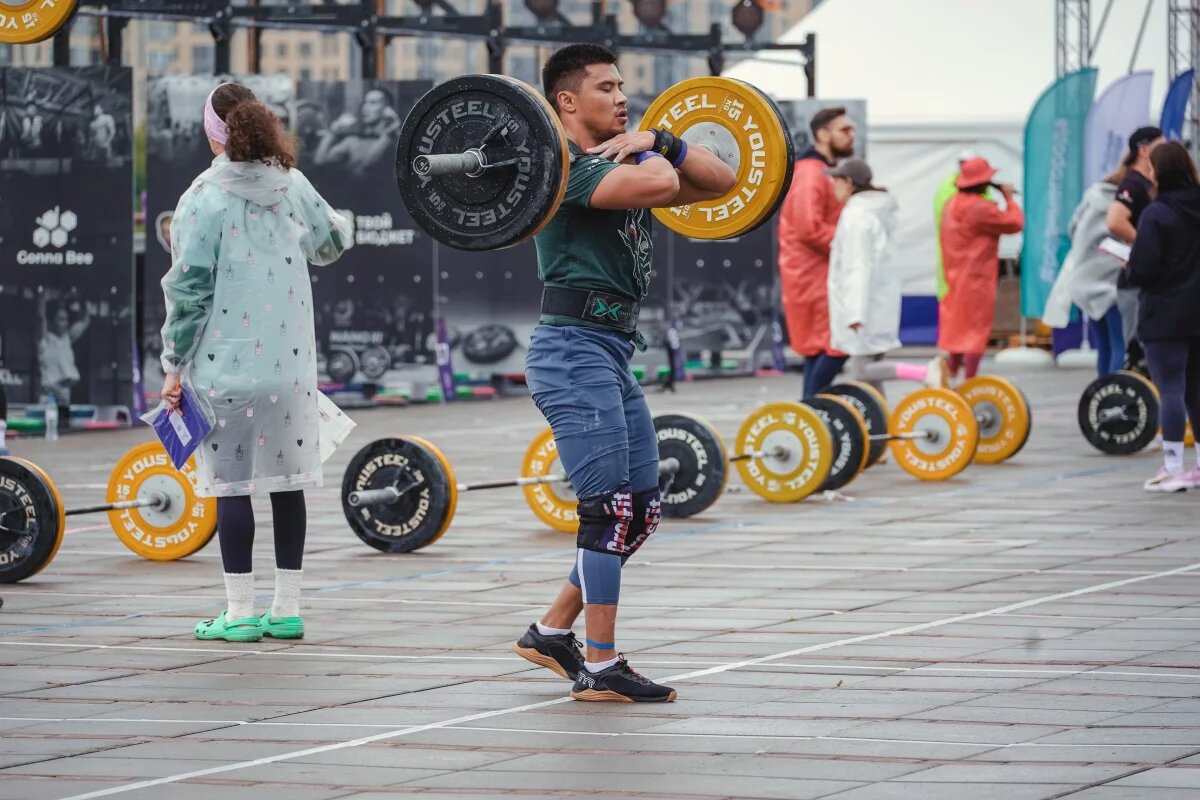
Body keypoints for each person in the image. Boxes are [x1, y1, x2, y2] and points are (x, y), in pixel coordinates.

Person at [512, 44, 736, 703]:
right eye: (606, 87)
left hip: (609, 351)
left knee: (638, 513)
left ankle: (552, 633)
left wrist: (660, 137)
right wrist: (648, 147)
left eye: (622, 86)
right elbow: (665, 185)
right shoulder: (569, 172)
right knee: (608, 510)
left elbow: (720, 181)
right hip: (571, 352)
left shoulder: (629, 153)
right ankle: (602, 665)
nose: (621, 97)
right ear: (566, 103)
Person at [159, 82, 353, 642]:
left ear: (211, 132)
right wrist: (340, 220)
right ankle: (286, 608)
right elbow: (330, 244)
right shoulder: (292, 185)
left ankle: (240, 613)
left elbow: (189, 289)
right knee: (287, 484)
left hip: (225, 366)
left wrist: (174, 364)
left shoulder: (202, 196)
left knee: (232, 488)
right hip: (290, 367)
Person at [826, 159, 947, 391]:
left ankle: (924, 372)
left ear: (849, 183)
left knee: (861, 370)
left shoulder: (856, 217)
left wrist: (854, 312)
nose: (833, 186)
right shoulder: (876, 212)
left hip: (864, 308)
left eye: (836, 181)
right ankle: (880, 421)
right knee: (871, 376)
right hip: (879, 303)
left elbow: (857, 267)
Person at [1124, 142, 1200, 492]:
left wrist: (1128, 267)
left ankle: (1172, 467)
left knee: (1171, 389)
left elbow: (1143, 268)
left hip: (1164, 314)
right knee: (1197, 390)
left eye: (1152, 168)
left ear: (1160, 172)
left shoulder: (1156, 214)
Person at [777, 106, 855, 396]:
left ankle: (812, 417)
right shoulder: (811, 174)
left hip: (821, 273)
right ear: (823, 134)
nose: (851, 135)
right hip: (812, 276)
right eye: (844, 130)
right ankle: (810, 414)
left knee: (821, 349)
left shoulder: (823, 172)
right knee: (836, 345)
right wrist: (850, 245)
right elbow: (809, 229)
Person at [936, 157, 1024, 380]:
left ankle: (954, 374)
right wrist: (1009, 198)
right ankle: (970, 380)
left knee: (957, 330)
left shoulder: (951, 204)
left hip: (954, 276)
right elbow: (1015, 223)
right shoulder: (979, 209)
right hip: (976, 279)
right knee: (975, 331)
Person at [1044, 165, 1130, 376]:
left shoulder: (1092, 196)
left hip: (1085, 282)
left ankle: (1103, 399)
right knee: (1120, 345)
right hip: (1112, 281)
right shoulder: (1124, 203)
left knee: (1104, 346)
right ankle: (1115, 397)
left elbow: (1072, 229)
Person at [1108, 126, 1166, 374]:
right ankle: (1122, 405)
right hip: (1133, 282)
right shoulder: (1133, 183)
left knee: (1147, 350)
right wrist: (1144, 245)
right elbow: (1115, 221)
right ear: (1144, 150)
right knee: (1134, 351)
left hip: (1149, 279)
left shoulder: (1148, 183)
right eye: (1160, 145)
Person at [312, 86, 401, 178]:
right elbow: (319, 161)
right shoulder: (353, 140)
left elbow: (366, 165)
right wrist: (332, 132)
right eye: (365, 103)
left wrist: (390, 131)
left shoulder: (395, 141)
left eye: (373, 103)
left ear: (388, 110)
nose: (365, 108)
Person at [38, 300, 90, 431]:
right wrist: (42, 297)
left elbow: (85, 322)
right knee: (46, 430)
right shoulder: (45, 339)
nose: (65, 323)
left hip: (65, 396)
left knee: (63, 430)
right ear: (52, 321)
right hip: (49, 396)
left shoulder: (67, 339)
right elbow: (40, 317)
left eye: (66, 319)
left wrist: (80, 298)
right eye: (61, 319)